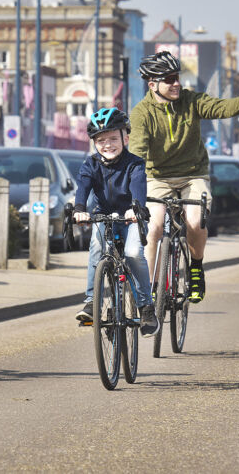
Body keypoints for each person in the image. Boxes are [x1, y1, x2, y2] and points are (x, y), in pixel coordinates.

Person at [129, 51, 239, 304]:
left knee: (195, 222)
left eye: (177, 78)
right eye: (169, 79)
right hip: (157, 177)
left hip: (193, 174)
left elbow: (219, 107)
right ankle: (147, 291)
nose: (176, 83)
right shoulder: (142, 113)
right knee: (153, 228)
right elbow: (137, 153)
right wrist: (129, 187)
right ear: (152, 85)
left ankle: (195, 267)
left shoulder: (190, 101)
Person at [72, 107, 158, 338]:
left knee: (131, 252)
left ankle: (146, 307)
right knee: (97, 247)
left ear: (125, 138)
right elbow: (83, 188)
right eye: (101, 140)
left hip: (132, 217)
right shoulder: (90, 165)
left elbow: (138, 187)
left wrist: (135, 208)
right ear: (94, 143)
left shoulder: (135, 164)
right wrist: (80, 209)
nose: (107, 144)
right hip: (104, 215)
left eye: (113, 138)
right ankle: (92, 303)